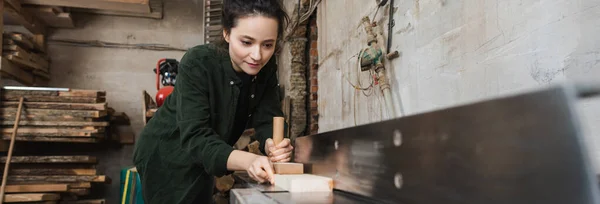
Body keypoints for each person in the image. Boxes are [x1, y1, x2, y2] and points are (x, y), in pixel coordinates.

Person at [132, 0, 292, 203]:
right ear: (226, 33)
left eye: (268, 45)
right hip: (167, 154)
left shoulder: (266, 69)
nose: (257, 55)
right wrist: (248, 160)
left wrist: (273, 145)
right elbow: (196, 137)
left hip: (205, 155)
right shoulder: (198, 62)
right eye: (246, 42)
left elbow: (268, 117)